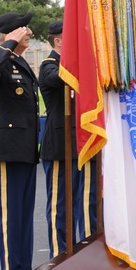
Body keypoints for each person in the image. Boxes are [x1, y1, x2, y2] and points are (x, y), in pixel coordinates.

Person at [0, 11, 40, 270]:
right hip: (6, 150)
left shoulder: (19, 62)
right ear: (7, 34)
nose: (28, 32)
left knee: (24, 214)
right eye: (22, 28)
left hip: (25, 148)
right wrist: (6, 44)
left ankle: (23, 269)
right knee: (10, 214)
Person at [39, 20, 98, 255]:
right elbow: (61, 78)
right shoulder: (49, 65)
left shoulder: (77, 63)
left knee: (88, 202)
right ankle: (60, 255)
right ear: (59, 41)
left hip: (84, 141)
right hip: (60, 145)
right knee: (60, 205)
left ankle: (89, 250)